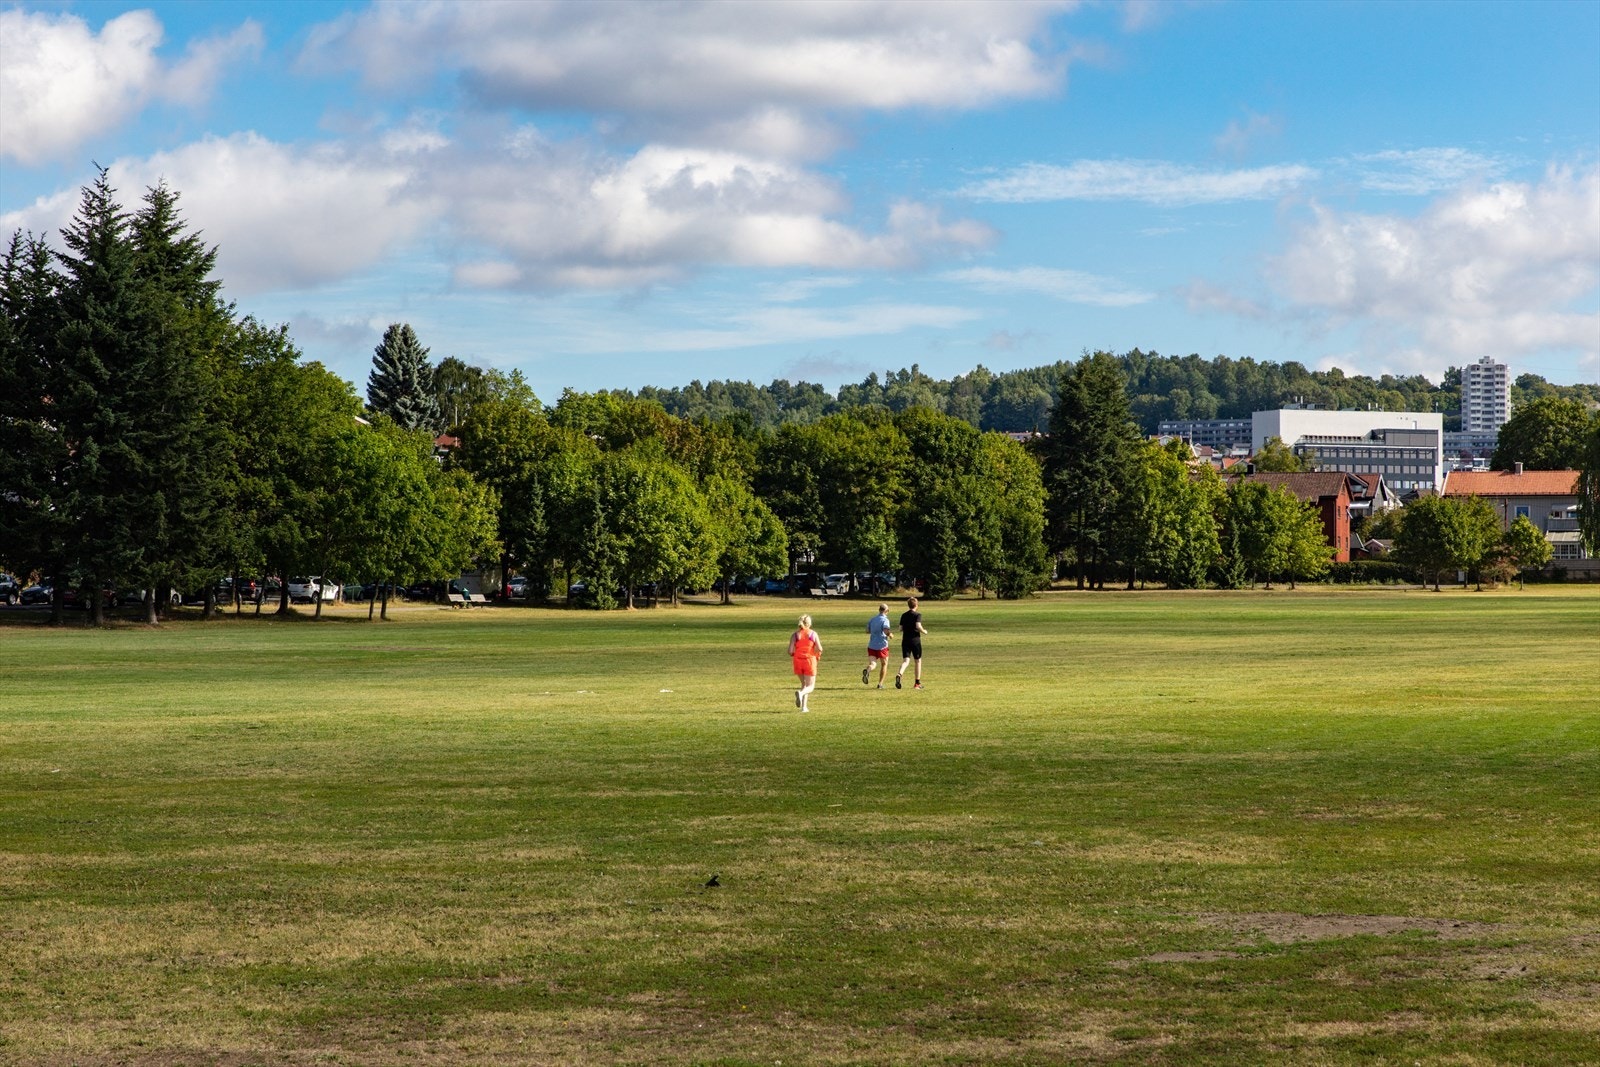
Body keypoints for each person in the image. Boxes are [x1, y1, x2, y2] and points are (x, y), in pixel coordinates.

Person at [789, 614, 822, 712]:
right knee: (810, 686)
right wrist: (816, 654)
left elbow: (790, 651)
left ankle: (804, 707)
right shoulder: (813, 634)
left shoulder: (795, 635)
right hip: (809, 660)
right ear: (809, 624)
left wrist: (796, 654)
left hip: (798, 661)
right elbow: (820, 648)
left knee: (804, 684)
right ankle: (800, 693)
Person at [895, 596, 927, 690]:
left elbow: (900, 628)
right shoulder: (917, 615)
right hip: (915, 640)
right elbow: (918, 625)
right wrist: (924, 631)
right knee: (918, 660)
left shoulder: (904, 615)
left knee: (906, 661)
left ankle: (899, 674)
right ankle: (917, 683)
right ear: (916, 605)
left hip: (905, 640)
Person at [863, 602, 893, 689]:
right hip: (882, 646)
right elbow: (886, 630)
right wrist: (890, 634)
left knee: (873, 664)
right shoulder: (885, 620)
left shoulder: (872, 619)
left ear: (879, 610)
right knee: (884, 664)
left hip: (872, 645)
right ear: (887, 611)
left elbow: (867, 631)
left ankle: (868, 670)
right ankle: (880, 684)